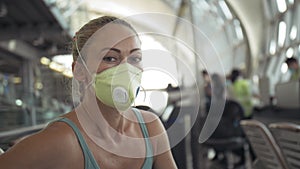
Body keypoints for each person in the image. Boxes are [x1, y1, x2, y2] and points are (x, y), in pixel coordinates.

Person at [0, 16, 177, 169]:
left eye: (135, 58)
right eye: (110, 58)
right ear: (79, 71)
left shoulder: (150, 127)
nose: (126, 69)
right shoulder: (61, 140)